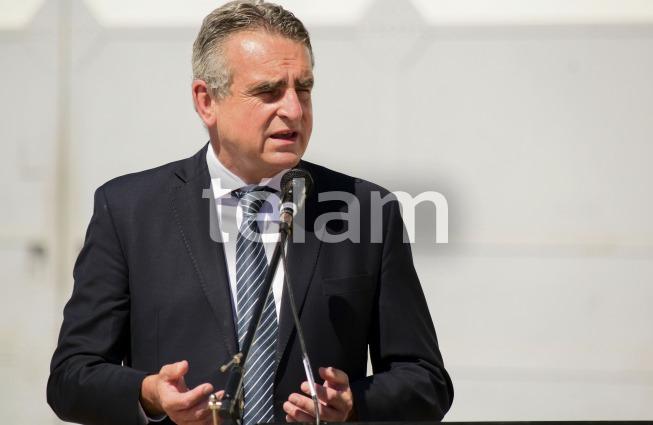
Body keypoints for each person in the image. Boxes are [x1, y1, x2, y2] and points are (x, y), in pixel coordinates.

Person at [47, 1, 453, 424]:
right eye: (269, 92)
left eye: (304, 89)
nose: (294, 110)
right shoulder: (128, 211)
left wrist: (354, 405)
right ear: (207, 101)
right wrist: (149, 394)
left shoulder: (366, 211)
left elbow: (426, 382)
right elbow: (71, 378)